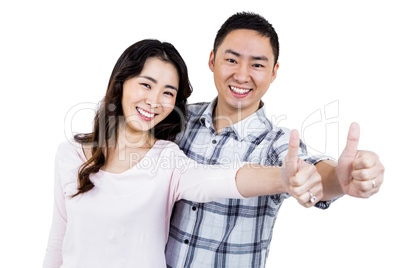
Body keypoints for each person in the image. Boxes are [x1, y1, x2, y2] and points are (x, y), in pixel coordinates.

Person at [42, 39, 321, 268]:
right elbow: (58, 241)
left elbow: (222, 178)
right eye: (146, 84)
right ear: (121, 82)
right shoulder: (70, 154)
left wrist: (283, 177)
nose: (154, 101)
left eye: (168, 92)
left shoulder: (168, 159)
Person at [165, 12, 385, 267]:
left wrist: (338, 177)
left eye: (257, 65)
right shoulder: (178, 119)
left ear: (274, 72)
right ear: (212, 60)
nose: (242, 75)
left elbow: (309, 171)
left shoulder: (274, 143)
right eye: (231, 60)